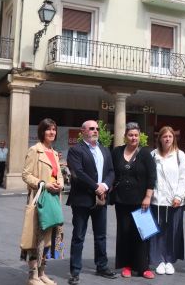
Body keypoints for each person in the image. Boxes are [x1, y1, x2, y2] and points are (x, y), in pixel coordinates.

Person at [66, 120, 117, 284]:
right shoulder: (75, 150)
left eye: (97, 129)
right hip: (82, 199)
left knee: (101, 235)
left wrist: (105, 185)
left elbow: (111, 171)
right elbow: (78, 173)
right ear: (83, 131)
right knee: (78, 236)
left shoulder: (104, 150)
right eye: (92, 128)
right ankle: (75, 271)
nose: (95, 131)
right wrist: (96, 186)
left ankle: (101, 266)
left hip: (101, 198)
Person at [111, 122, 157, 279]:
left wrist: (148, 197)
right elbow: (111, 173)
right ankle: (127, 266)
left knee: (142, 234)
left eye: (136, 135)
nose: (133, 137)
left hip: (141, 201)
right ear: (125, 136)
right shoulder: (116, 152)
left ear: (140, 137)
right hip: (122, 201)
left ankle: (143, 267)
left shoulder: (145, 153)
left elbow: (152, 177)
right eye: (130, 135)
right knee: (124, 233)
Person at [21, 118, 64, 285]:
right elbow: (26, 175)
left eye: (54, 129)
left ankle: (43, 272)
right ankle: (33, 276)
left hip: (53, 198)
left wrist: (59, 183)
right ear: (42, 132)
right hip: (40, 198)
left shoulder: (54, 152)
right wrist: (43, 184)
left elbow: (58, 174)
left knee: (50, 238)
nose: (52, 132)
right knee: (35, 237)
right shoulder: (34, 150)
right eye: (48, 129)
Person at [149, 126, 185, 276]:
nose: (167, 139)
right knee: (157, 232)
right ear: (159, 139)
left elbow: (183, 177)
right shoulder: (153, 155)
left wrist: (179, 196)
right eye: (164, 136)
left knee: (173, 231)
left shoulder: (180, 155)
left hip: (174, 201)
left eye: (170, 137)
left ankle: (169, 261)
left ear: (174, 139)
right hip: (156, 201)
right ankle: (158, 260)